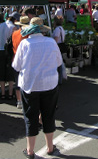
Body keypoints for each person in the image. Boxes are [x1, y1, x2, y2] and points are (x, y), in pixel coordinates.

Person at [12, 17, 62, 158]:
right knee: (48, 115)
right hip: (49, 83)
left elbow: (16, 66)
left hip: (30, 85)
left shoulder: (25, 43)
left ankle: (30, 150)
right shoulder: (51, 42)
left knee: (30, 116)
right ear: (42, 29)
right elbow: (58, 62)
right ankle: (50, 147)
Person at [0, 12, 21, 99]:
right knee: (10, 73)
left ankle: (3, 93)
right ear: (15, 20)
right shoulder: (14, 27)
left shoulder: (1, 25)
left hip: (0, 51)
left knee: (1, 72)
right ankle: (10, 94)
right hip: (9, 51)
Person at [12, 16, 30, 109]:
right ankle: (24, 101)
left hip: (15, 58)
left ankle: (19, 101)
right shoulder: (27, 34)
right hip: (25, 60)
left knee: (17, 81)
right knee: (25, 81)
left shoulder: (14, 33)